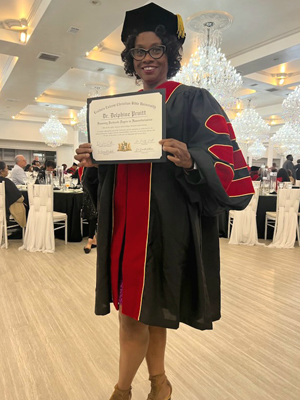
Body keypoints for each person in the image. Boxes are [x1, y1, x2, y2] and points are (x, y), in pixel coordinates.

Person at [75, 4, 254, 400]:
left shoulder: (193, 100)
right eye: (139, 51)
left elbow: (228, 162)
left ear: (170, 55)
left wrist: (193, 161)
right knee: (144, 312)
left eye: (157, 50)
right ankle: (160, 383)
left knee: (135, 316)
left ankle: (121, 391)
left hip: (162, 228)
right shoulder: (119, 111)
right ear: (130, 59)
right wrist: (93, 163)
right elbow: (108, 178)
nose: (148, 59)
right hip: (124, 226)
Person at [0, 161, 26, 227]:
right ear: (1, 171)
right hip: (5, 210)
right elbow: (19, 198)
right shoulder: (6, 182)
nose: (7, 170)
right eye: (6, 168)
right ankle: (22, 230)